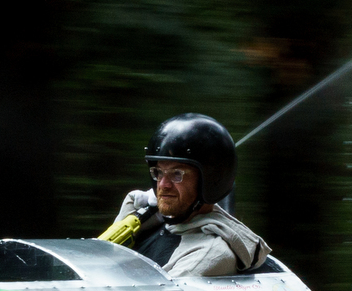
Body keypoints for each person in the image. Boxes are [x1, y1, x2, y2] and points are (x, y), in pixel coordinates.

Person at [106, 114, 268, 278]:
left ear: (210, 181)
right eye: (159, 172)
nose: (163, 185)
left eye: (177, 174)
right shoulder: (149, 221)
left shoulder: (209, 255)